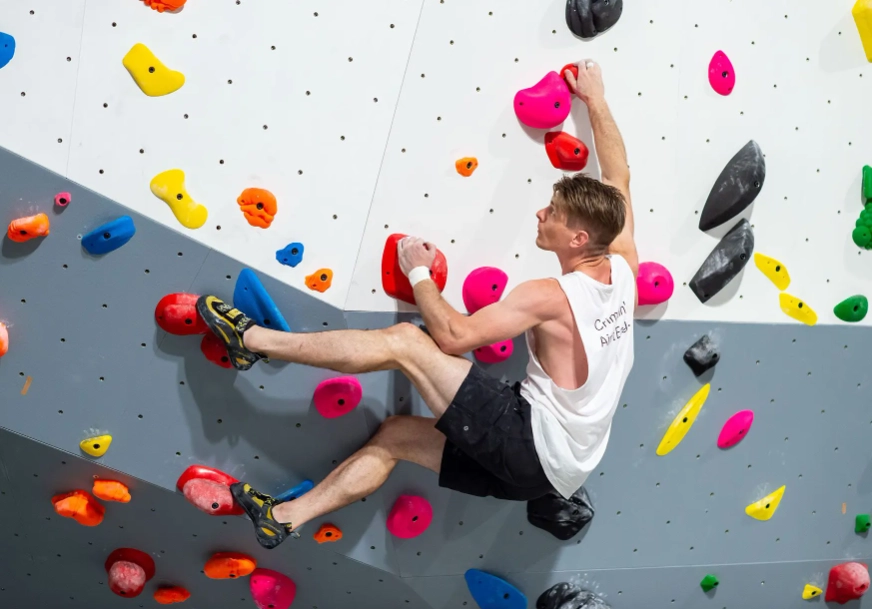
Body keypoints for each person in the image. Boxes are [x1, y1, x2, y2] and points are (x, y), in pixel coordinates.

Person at [195, 59, 638, 550]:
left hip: (530, 442)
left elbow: (453, 337)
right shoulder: (623, 267)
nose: (540, 212)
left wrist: (418, 271)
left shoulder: (551, 295)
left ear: (578, 238)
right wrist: (595, 100)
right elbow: (618, 175)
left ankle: (252, 341)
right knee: (397, 436)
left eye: (552, 212)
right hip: (557, 473)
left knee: (408, 343)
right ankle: (284, 517)